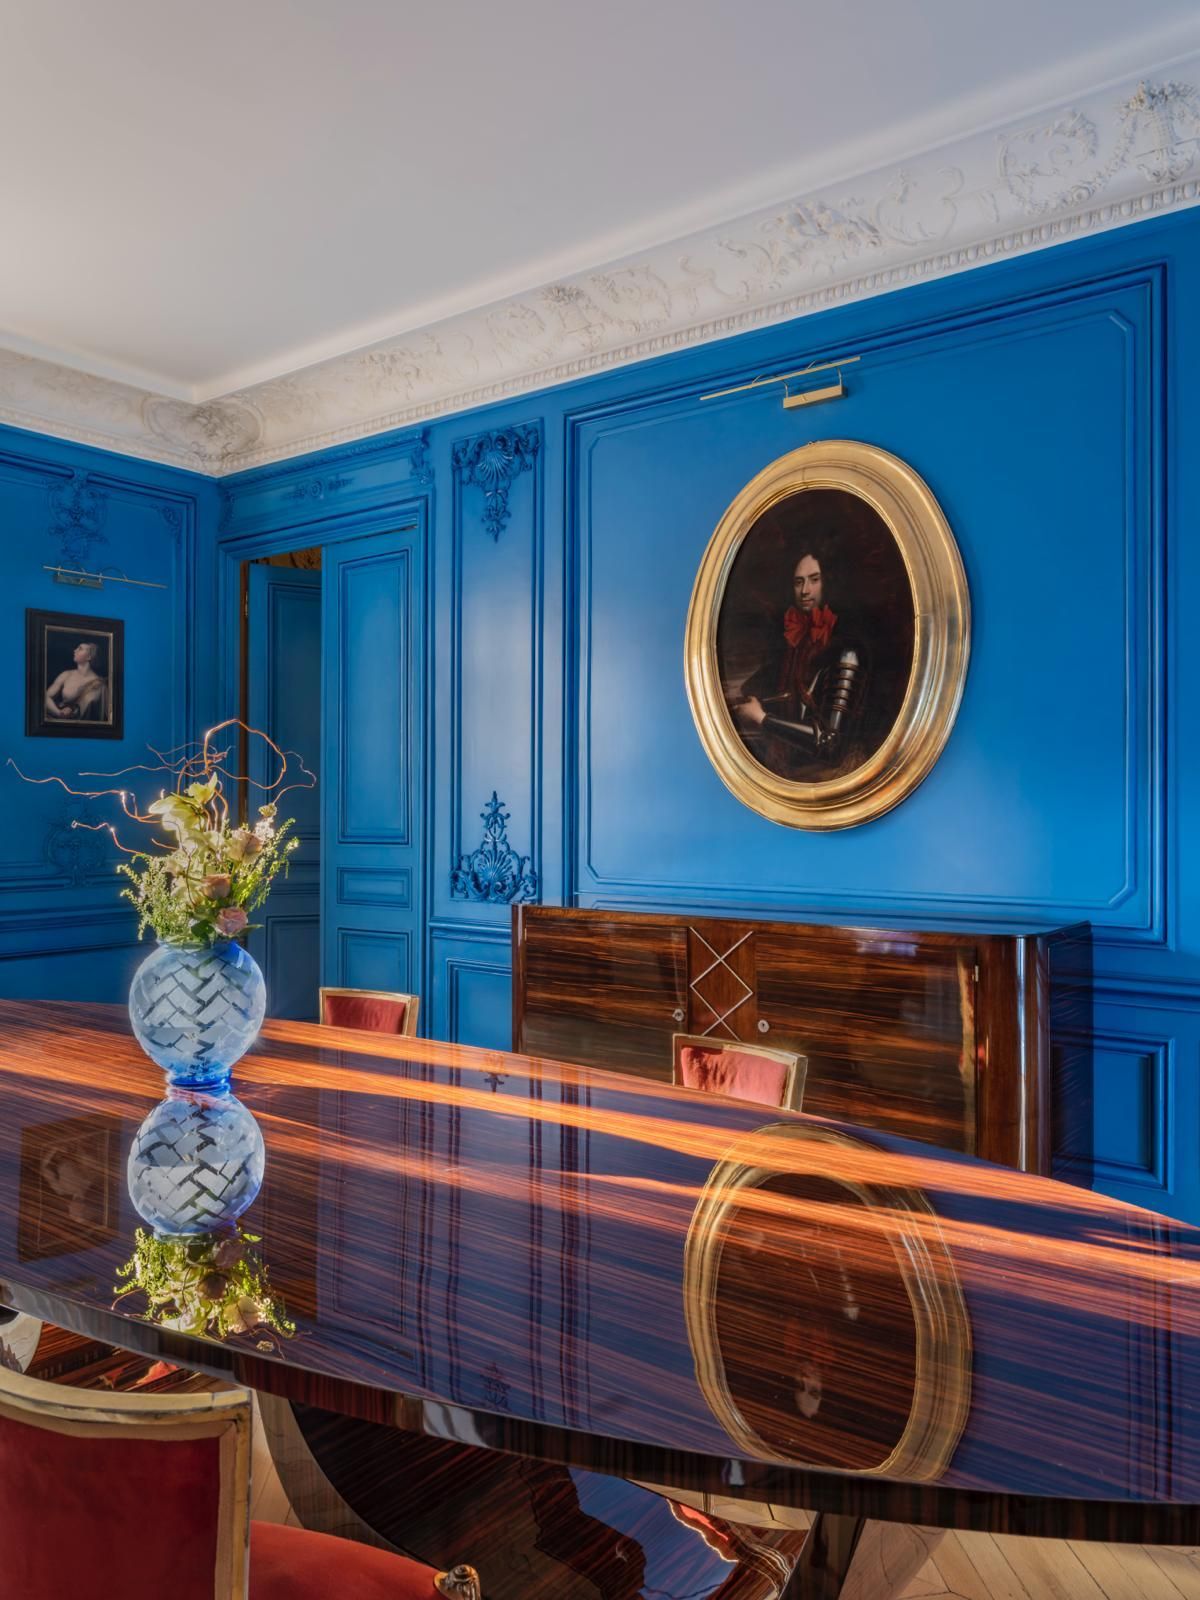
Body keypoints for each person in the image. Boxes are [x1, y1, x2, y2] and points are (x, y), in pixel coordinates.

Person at [728, 545, 864, 776]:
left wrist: (762, 718)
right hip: (797, 764)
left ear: (829, 582)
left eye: (814, 580)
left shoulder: (848, 650)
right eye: (798, 582)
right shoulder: (798, 642)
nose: (804, 590)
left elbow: (831, 743)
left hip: (830, 772)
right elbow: (772, 685)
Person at [44, 639, 107, 722]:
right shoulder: (66, 675)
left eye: (80, 649)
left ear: (89, 657)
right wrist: (59, 713)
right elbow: (46, 696)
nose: (74, 650)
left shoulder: (100, 684)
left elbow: (105, 714)